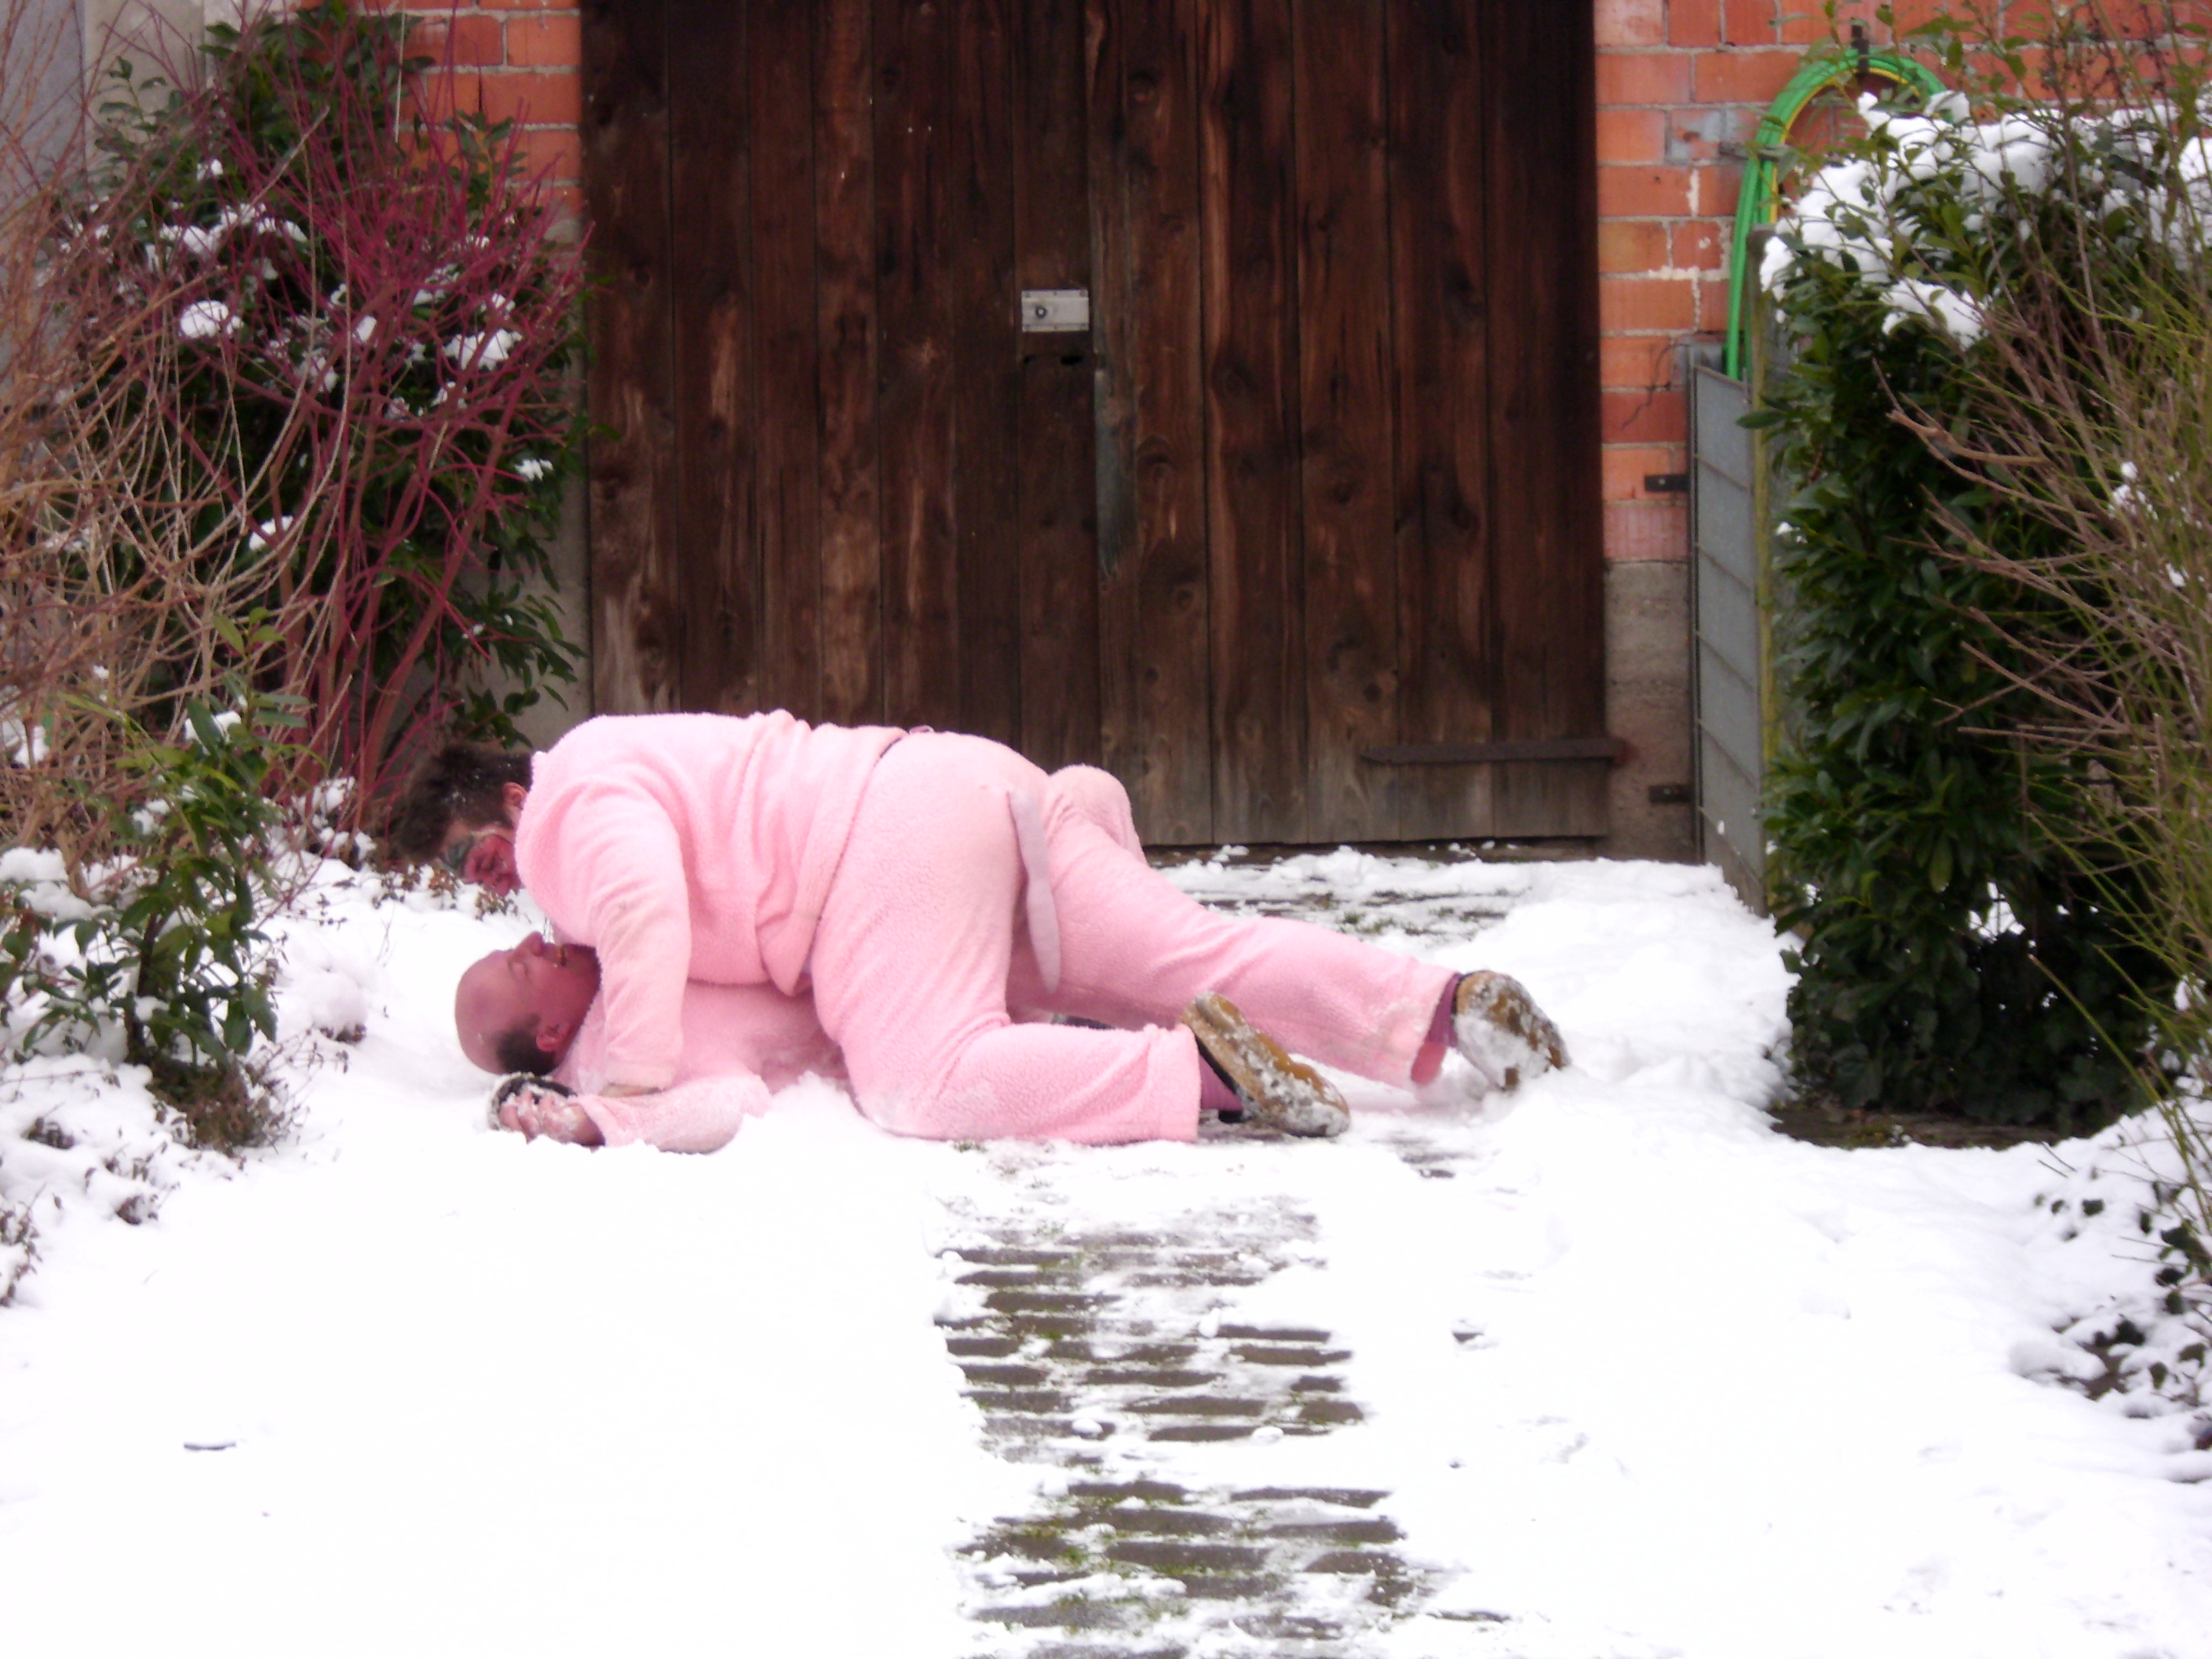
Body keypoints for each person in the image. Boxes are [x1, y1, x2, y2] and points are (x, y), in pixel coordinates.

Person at [397, 713, 1567, 1149]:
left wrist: (628, 1092)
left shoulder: (565, 813)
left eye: (465, 850)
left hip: (875, 859)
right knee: (1183, 959)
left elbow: (647, 911)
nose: (484, 879)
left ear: (506, 797)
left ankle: (1202, 1075)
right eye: (460, 876)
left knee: (923, 1080)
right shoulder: (612, 757)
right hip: (951, 789)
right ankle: (1441, 1004)